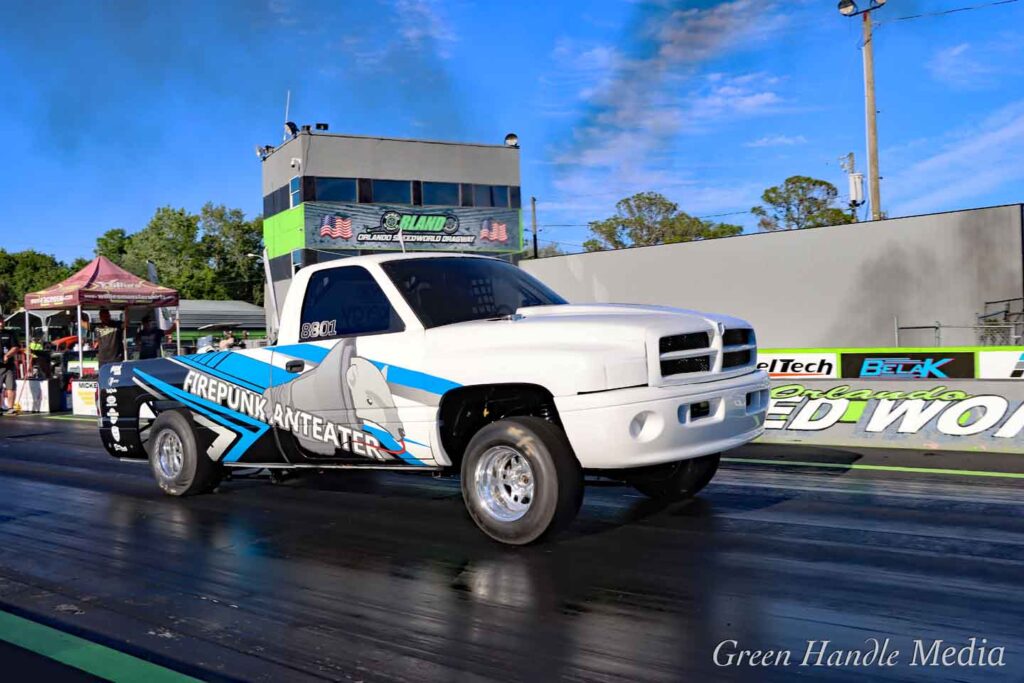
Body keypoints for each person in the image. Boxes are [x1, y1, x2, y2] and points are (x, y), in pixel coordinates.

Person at [0, 319, 22, 414]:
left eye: (2, 321)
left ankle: (10, 408)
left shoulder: (10, 333)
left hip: (9, 365)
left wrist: (7, 355)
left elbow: (16, 347)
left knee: (11, 387)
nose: (1, 324)